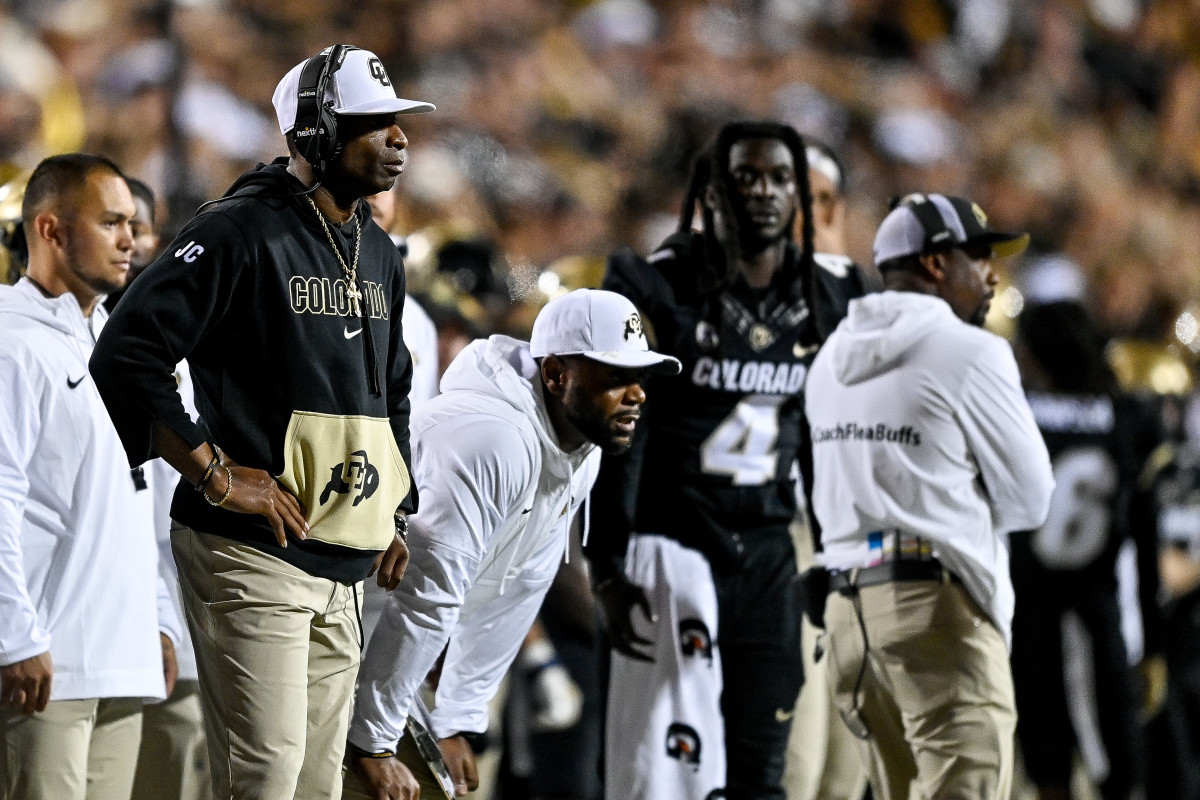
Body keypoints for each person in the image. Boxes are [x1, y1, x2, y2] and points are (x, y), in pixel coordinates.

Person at [90, 45, 433, 800]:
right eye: (377, 124)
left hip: (341, 560)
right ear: (314, 131)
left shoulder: (378, 249)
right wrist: (213, 473)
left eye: (399, 123)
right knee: (265, 778)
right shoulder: (239, 229)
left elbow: (391, 391)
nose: (401, 138)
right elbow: (128, 351)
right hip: (252, 550)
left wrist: (396, 510)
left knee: (313, 786)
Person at [587, 120, 868, 800]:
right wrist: (607, 562)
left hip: (770, 557)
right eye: (746, 177)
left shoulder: (828, 294)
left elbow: (830, 440)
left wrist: (837, 555)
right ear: (711, 193)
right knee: (661, 775)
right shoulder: (661, 284)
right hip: (676, 546)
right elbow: (625, 432)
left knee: (762, 772)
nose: (765, 192)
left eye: (778, 178)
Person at [345, 288, 680, 800]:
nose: (636, 393)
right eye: (615, 376)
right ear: (555, 374)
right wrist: (373, 743)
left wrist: (457, 716)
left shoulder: (577, 448)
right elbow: (423, 597)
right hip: (343, 635)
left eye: (640, 377)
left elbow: (522, 587)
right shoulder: (494, 438)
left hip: (398, 649)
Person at [804, 192, 1054, 800]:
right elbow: (1031, 498)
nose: (992, 273)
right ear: (936, 264)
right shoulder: (972, 351)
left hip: (847, 614)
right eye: (978, 255)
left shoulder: (830, 355)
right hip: (936, 610)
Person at [0, 153, 176, 800]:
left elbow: (140, 497)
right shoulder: (11, 343)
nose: (132, 240)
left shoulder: (114, 343)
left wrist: (157, 616)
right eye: (111, 223)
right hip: (46, 665)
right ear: (49, 231)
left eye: (131, 222)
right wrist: (12, 633)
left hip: (120, 658)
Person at [1010, 298, 1167, 800]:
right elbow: (1147, 538)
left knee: (1049, 773)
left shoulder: (1017, 411)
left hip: (1034, 614)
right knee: (1120, 776)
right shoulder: (1129, 417)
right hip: (1094, 616)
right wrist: (1155, 643)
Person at [783, 138, 870, 800]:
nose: (799, 217)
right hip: (787, 541)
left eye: (814, 201)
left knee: (850, 767)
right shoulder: (735, 302)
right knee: (797, 760)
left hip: (864, 548)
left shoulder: (870, 312)